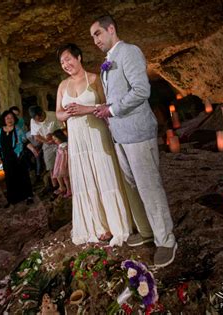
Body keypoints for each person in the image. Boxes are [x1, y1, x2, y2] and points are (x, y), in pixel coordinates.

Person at [91, 15, 177, 267]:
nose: (95, 40)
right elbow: (116, 96)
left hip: (138, 131)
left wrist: (112, 110)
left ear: (111, 29)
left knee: (149, 186)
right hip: (120, 134)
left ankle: (166, 240)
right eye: (92, 37)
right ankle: (148, 231)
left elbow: (141, 90)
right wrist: (106, 111)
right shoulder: (108, 62)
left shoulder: (129, 52)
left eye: (97, 33)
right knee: (133, 186)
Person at [56, 43, 140, 247]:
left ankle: (116, 224)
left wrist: (85, 109)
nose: (66, 64)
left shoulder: (94, 79)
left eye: (68, 59)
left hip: (96, 134)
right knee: (85, 178)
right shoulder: (62, 86)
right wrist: (68, 113)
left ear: (79, 57)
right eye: (62, 62)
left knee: (105, 174)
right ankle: (98, 226)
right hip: (77, 139)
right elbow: (58, 113)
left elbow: (108, 106)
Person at [0, 110, 38, 205]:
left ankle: (28, 196)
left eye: (11, 118)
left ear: (14, 119)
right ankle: (13, 198)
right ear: (4, 120)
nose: (9, 120)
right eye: (7, 118)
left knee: (23, 176)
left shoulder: (18, 129)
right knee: (10, 178)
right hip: (6, 158)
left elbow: (25, 141)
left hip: (19, 157)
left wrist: (34, 150)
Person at [29, 106, 61, 190]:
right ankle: (55, 187)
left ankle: (66, 186)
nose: (40, 120)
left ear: (43, 112)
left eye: (41, 118)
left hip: (58, 140)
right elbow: (36, 136)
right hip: (46, 143)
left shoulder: (53, 115)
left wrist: (54, 137)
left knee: (62, 164)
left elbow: (62, 128)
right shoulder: (33, 121)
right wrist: (46, 142)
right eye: (38, 120)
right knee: (50, 166)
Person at [51, 129, 71, 198]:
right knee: (65, 178)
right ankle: (67, 189)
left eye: (55, 139)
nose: (55, 141)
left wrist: (62, 166)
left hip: (63, 164)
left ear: (60, 137)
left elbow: (64, 157)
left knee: (66, 178)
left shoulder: (64, 146)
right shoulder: (61, 145)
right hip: (60, 164)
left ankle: (68, 190)